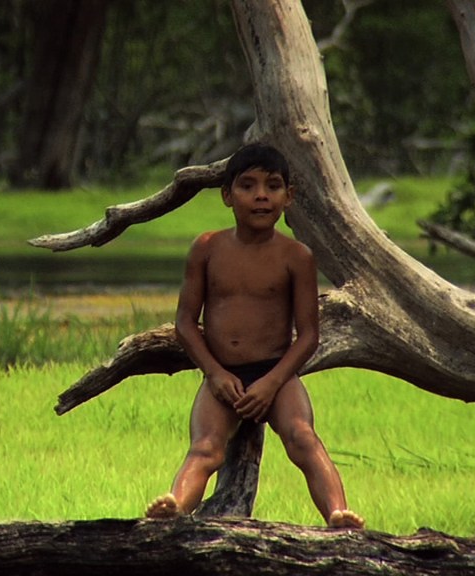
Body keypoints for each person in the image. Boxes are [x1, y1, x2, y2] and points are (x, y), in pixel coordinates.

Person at [145, 143, 364, 529]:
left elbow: (308, 335)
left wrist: (272, 382)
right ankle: (175, 508)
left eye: (273, 186)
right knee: (206, 449)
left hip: (276, 376)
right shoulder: (207, 248)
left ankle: (337, 513)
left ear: (289, 196)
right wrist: (214, 373)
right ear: (227, 196)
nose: (261, 195)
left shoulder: (296, 256)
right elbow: (184, 322)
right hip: (222, 374)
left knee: (302, 437)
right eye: (248, 186)